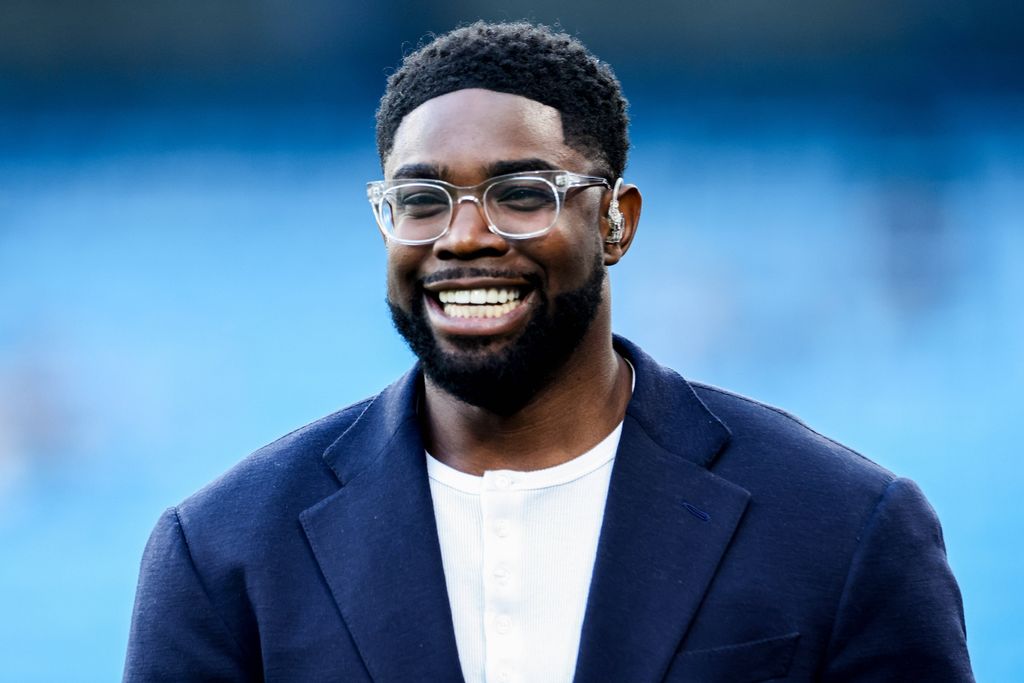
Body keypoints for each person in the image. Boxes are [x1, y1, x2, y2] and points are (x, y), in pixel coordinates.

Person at [124, 21, 973, 682]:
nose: (463, 237)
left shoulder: (843, 527)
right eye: (421, 200)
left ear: (617, 221)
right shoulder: (224, 555)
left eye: (520, 194)